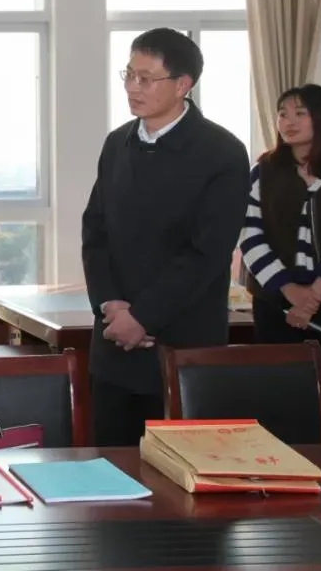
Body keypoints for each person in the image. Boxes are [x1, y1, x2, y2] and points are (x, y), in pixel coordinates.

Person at [82, 28, 249, 447]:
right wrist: (110, 305)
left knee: (182, 475)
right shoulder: (117, 144)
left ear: (182, 85)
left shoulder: (222, 152)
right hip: (114, 346)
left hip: (182, 348)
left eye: (146, 78)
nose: (132, 87)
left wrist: (142, 317)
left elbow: (207, 253)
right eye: (129, 75)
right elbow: (95, 232)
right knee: (110, 468)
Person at [239, 84, 321, 443]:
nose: (288, 121)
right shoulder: (264, 170)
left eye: (300, 113)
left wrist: (313, 295)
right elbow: (250, 235)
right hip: (275, 305)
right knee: (275, 401)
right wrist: (289, 291)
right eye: (282, 114)